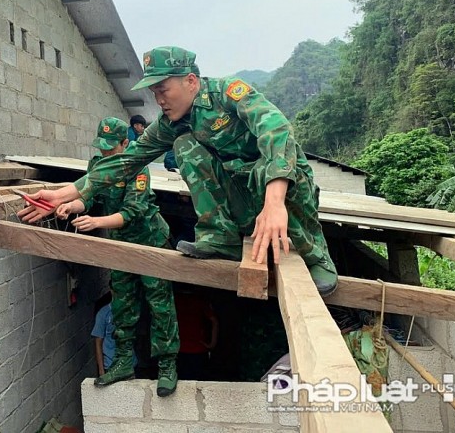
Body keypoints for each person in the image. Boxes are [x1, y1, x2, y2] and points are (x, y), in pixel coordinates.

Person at [19, 46, 338, 296]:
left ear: (191, 81)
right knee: (185, 147)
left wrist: (274, 202)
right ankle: (220, 238)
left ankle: (316, 255)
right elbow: (128, 160)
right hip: (241, 193)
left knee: (272, 171)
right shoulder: (172, 124)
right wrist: (67, 191)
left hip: (283, 186)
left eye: (163, 90)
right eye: (154, 93)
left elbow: (277, 131)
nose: (158, 100)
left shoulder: (228, 94)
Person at [50, 117, 180, 397]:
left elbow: (133, 211)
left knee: (160, 306)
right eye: (102, 147)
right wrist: (70, 206)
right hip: (120, 249)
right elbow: (89, 196)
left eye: (112, 148)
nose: (106, 153)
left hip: (150, 245)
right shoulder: (97, 165)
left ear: (125, 143)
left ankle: (167, 366)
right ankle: (123, 361)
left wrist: (96, 223)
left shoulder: (138, 168)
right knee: (122, 303)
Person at [174, 285, 218, 380]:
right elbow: (214, 321)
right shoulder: (200, 300)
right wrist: (212, 344)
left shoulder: (173, 300)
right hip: (198, 349)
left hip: (179, 348)